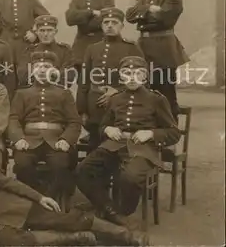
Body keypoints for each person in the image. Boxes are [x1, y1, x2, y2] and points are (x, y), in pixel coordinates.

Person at [0, 138, 149, 246]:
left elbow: (7, 183)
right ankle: (79, 239)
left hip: (11, 205)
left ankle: (128, 237)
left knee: (70, 219)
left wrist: (39, 197)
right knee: (21, 243)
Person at [77, 56, 180, 226]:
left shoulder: (157, 100)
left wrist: (151, 133)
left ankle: (122, 211)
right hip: (113, 146)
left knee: (130, 177)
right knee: (83, 170)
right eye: (127, 73)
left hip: (142, 149)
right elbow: (103, 126)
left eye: (137, 74)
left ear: (145, 77)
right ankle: (109, 209)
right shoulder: (116, 99)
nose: (132, 78)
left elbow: (174, 133)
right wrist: (108, 129)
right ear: (121, 77)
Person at [9, 50, 81, 204]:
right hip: (29, 140)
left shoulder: (64, 93)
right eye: (38, 66)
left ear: (54, 70)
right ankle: (35, 198)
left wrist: (66, 140)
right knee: (22, 165)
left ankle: (52, 199)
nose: (42, 70)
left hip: (56, 141)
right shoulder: (22, 93)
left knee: (61, 165)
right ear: (32, 70)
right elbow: (14, 119)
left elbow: (74, 121)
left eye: (47, 66)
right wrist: (18, 139)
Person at [126, 0, 189, 121]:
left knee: (165, 92)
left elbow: (166, 18)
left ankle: (169, 134)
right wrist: (149, 9)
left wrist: (144, 14)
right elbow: (129, 15)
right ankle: (149, 130)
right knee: (144, 90)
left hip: (163, 49)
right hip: (144, 48)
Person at [77, 8, 144, 151]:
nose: (110, 25)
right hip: (94, 106)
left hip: (120, 106)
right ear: (101, 26)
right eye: (106, 22)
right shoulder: (92, 49)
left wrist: (117, 92)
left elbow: (141, 80)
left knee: (115, 146)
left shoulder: (131, 48)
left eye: (114, 22)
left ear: (122, 26)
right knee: (94, 147)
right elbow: (84, 81)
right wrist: (82, 110)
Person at [65, 0, 115, 81]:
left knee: (100, 79)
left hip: (100, 42)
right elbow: (69, 19)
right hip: (81, 46)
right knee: (82, 82)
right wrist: (91, 13)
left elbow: (105, 19)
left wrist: (81, 18)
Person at [17, 15, 74, 88]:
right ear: (36, 32)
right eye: (42, 30)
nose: (45, 34)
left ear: (55, 31)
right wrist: (53, 75)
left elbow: (68, 77)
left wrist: (40, 76)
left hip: (58, 93)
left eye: (49, 30)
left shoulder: (65, 50)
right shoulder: (30, 50)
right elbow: (23, 77)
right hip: (33, 94)